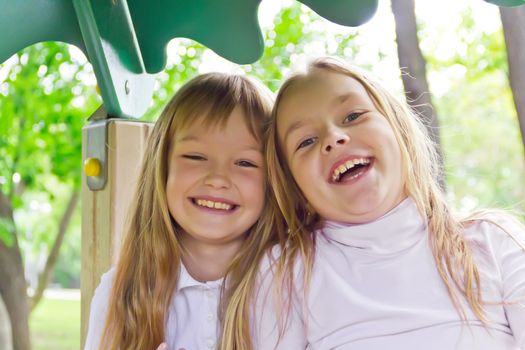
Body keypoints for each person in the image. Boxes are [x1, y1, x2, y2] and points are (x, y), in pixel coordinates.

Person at [251, 57, 525, 349]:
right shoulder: (286, 274)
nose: (333, 137)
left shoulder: (492, 240)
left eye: (353, 116)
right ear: (293, 185)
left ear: (398, 127)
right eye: (306, 141)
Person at [83, 72, 276, 350]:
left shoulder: (290, 287)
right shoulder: (118, 292)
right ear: (161, 167)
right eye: (195, 157)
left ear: (274, 179)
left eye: (245, 162)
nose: (218, 178)